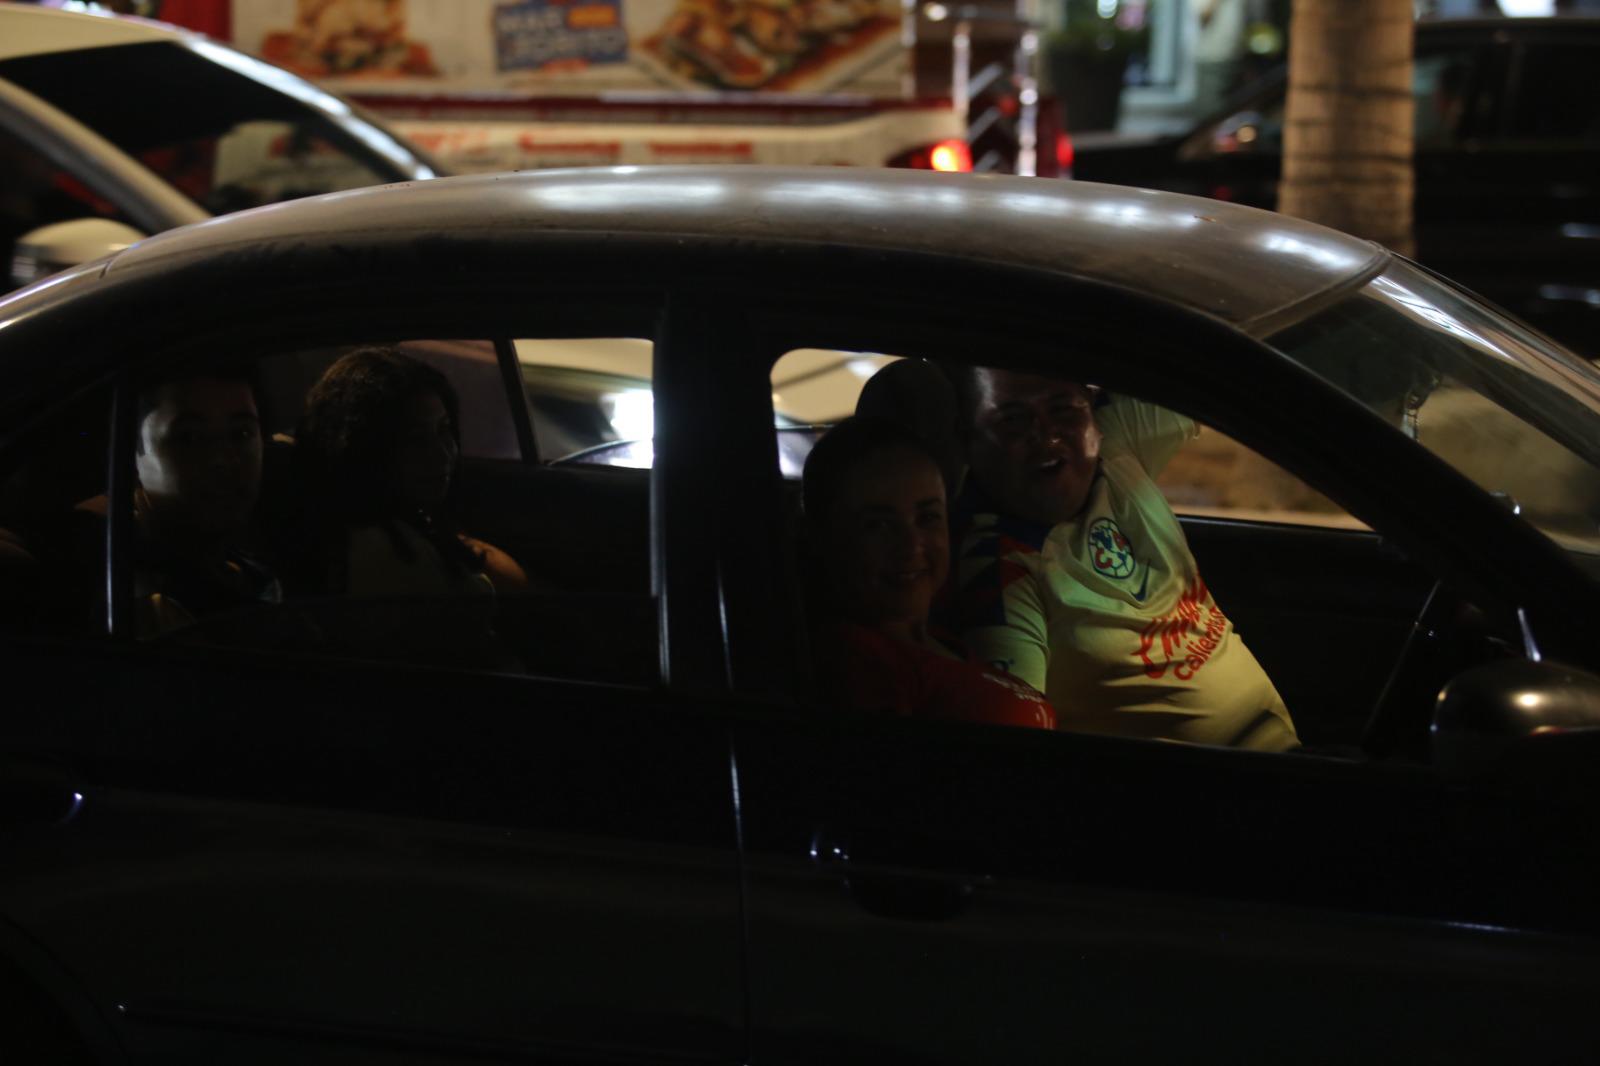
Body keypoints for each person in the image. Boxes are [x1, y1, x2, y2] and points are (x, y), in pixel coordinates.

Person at [949, 366, 1298, 751]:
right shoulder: (999, 570)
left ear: (1093, 414)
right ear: (968, 444)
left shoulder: (1115, 444)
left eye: (1063, 409)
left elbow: (1211, 369)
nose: (1047, 435)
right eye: (1013, 420)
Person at [803, 416, 1055, 731]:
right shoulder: (858, 662)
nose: (910, 546)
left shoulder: (941, 642)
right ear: (824, 537)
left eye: (927, 517)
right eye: (878, 525)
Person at [286, 346, 525, 664]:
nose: (441, 454)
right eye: (414, 439)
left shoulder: (408, 524)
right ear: (364, 449)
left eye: (444, 430)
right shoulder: (382, 552)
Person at [132, 368, 281, 637]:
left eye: (241, 434)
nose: (222, 461)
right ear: (134, 453)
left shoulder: (247, 565)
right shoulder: (139, 601)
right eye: (188, 438)